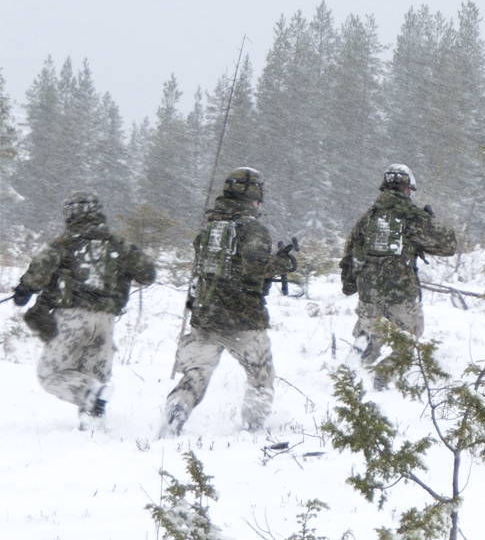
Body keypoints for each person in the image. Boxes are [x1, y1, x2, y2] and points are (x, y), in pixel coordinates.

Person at [159, 168, 294, 438]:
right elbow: (255, 264)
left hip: (205, 315)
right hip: (242, 319)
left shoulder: (210, 228)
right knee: (260, 373)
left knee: (196, 372)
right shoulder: (252, 229)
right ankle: (253, 427)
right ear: (255, 196)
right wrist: (284, 262)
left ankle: (174, 416)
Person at [13, 191, 156, 429]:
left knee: (50, 375)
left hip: (71, 318)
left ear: (70, 213)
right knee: (95, 376)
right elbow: (148, 274)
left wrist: (24, 289)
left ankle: (90, 397)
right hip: (106, 322)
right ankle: (92, 429)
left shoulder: (64, 242)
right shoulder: (118, 244)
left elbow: (38, 272)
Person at [340, 164, 457, 367]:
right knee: (408, 339)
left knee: (367, 337)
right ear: (407, 189)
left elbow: (350, 252)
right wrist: (431, 222)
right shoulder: (413, 217)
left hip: (369, 293)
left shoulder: (368, 217)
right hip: (401, 294)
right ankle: (382, 377)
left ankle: (350, 377)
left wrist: (352, 286)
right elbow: (448, 246)